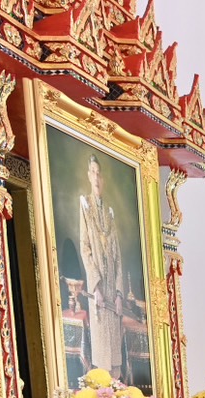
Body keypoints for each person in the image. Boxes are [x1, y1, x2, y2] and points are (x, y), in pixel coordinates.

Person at [79, 154, 126, 379]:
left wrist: (118, 293)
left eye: (99, 173)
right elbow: (85, 248)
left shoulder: (109, 211)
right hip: (98, 291)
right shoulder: (84, 205)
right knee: (102, 358)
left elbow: (117, 255)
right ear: (89, 176)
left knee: (115, 358)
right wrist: (95, 287)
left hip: (112, 293)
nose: (96, 178)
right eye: (93, 173)